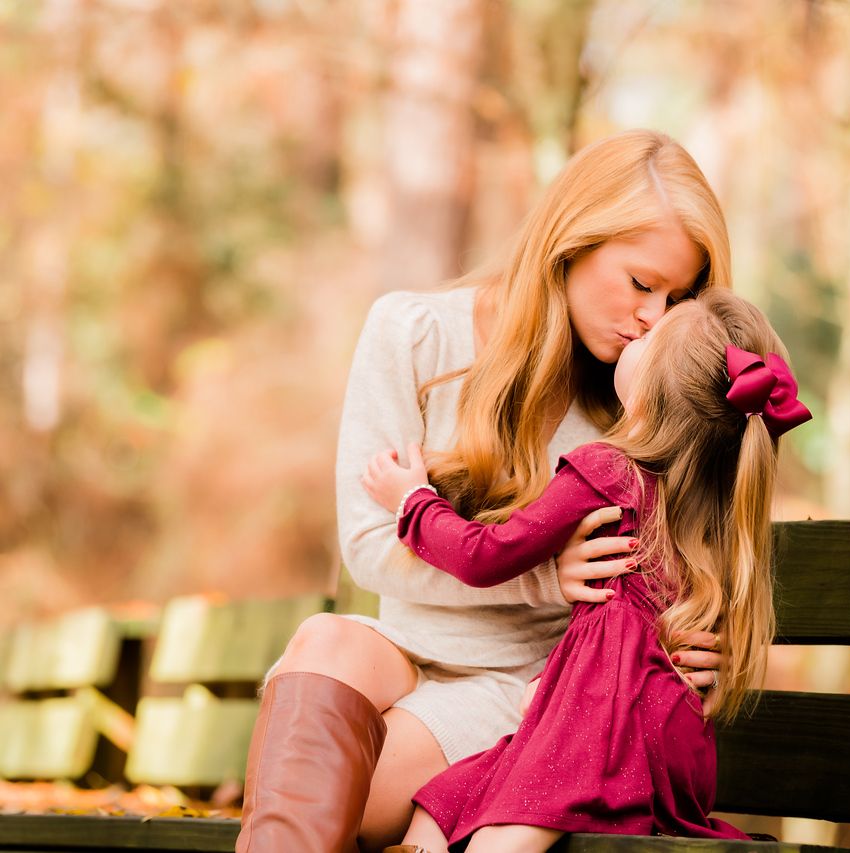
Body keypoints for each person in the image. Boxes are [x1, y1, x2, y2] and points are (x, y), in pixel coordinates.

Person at [235, 130, 733, 853]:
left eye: (678, 297)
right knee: (326, 639)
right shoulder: (412, 331)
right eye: (640, 283)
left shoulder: (641, 405)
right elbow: (369, 546)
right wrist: (541, 578)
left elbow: (682, 567)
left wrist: (694, 650)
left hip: (523, 689)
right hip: (406, 640)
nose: (655, 318)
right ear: (571, 241)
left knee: (335, 801)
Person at [362, 289, 811, 852]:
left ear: (650, 390)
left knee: (499, 839)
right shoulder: (710, 504)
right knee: (446, 801)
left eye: (652, 335)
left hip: (603, 724)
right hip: (652, 728)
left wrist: (414, 502)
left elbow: (487, 555)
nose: (640, 325)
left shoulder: (608, 468)